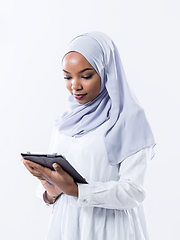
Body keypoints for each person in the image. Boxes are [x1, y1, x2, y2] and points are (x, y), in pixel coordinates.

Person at [22, 32, 155, 240]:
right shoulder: (66, 122)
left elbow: (133, 192)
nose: (75, 85)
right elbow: (56, 185)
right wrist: (51, 191)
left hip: (111, 229)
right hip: (67, 226)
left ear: (106, 71)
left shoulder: (129, 119)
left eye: (86, 76)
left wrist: (77, 190)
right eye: (67, 77)